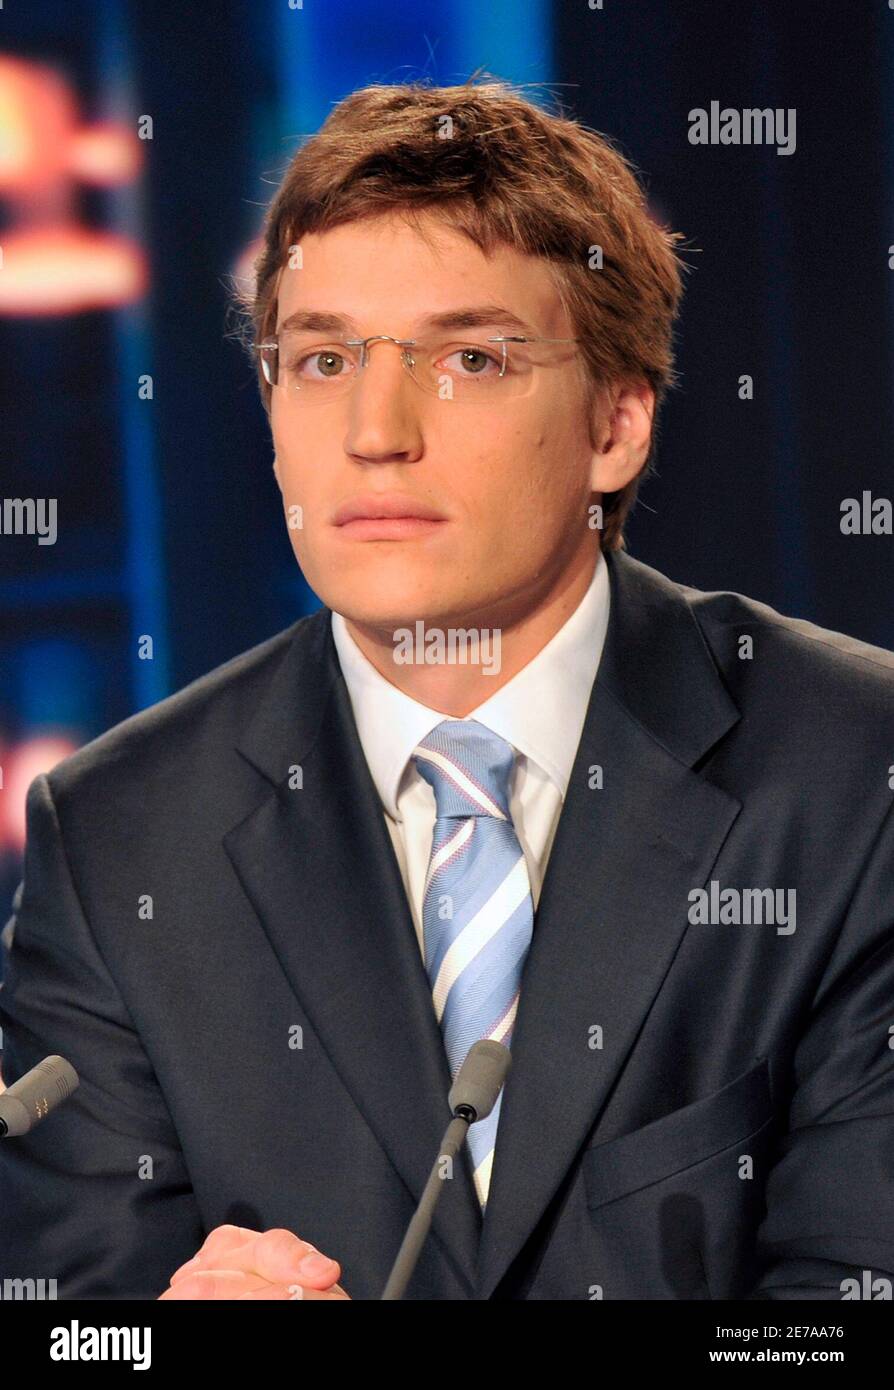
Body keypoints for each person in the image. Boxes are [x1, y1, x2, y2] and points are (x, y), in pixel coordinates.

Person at [1, 78, 892, 1302]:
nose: (376, 428)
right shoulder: (115, 842)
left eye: (468, 357)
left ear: (618, 422)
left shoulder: (851, 774)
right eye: (320, 359)